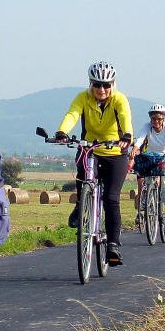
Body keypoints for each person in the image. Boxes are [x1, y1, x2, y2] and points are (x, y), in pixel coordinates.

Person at [55, 61, 133, 266]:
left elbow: (125, 117)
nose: (101, 89)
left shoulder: (119, 99)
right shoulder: (83, 98)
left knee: (111, 198)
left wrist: (127, 135)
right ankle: (81, 204)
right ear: (90, 84)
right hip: (90, 148)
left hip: (115, 152)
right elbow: (72, 114)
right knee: (82, 165)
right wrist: (62, 131)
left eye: (106, 85)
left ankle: (113, 246)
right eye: (97, 85)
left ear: (113, 85)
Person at [130, 104, 165, 233]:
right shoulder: (147, 127)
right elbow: (140, 139)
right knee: (147, 184)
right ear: (150, 119)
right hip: (151, 159)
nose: (156, 121)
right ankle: (147, 205)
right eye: (153, 119)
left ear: (163, 119)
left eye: (159, 119)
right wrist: (135, 150)